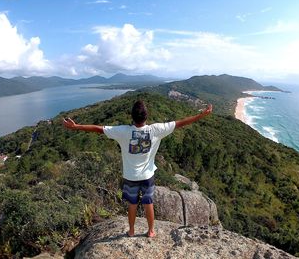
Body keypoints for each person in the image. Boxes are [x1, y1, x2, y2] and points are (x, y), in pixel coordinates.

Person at [63, 100, 212, 238]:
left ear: (132, 116)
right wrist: (201, 115)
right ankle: (151, 231)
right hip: (147, 176)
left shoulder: (122, 131)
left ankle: (132, 230)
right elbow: (181, 123)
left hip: (130, 176)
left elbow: (98, 129)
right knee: (148, 202)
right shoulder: (156, 130)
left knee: (132, 204)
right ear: (146, 116)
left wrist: (76, 127)